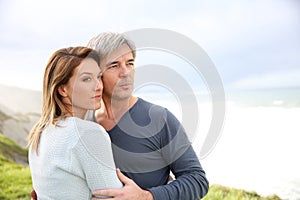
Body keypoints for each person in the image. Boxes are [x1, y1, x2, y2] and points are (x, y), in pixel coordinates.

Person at [87, 32, 209, 200]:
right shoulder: (84, 122)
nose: (125, 72)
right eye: (114, 65)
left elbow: (197, 180)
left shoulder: (160, 119)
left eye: (130, 63)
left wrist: (146, 196)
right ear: (96, 74)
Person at [27, 46, 123, 199]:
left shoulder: (40, 132)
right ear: (62, 90)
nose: (98, 86)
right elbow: (113, 196)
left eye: (98, 77)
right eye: (86, 79)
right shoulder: (88, 133)